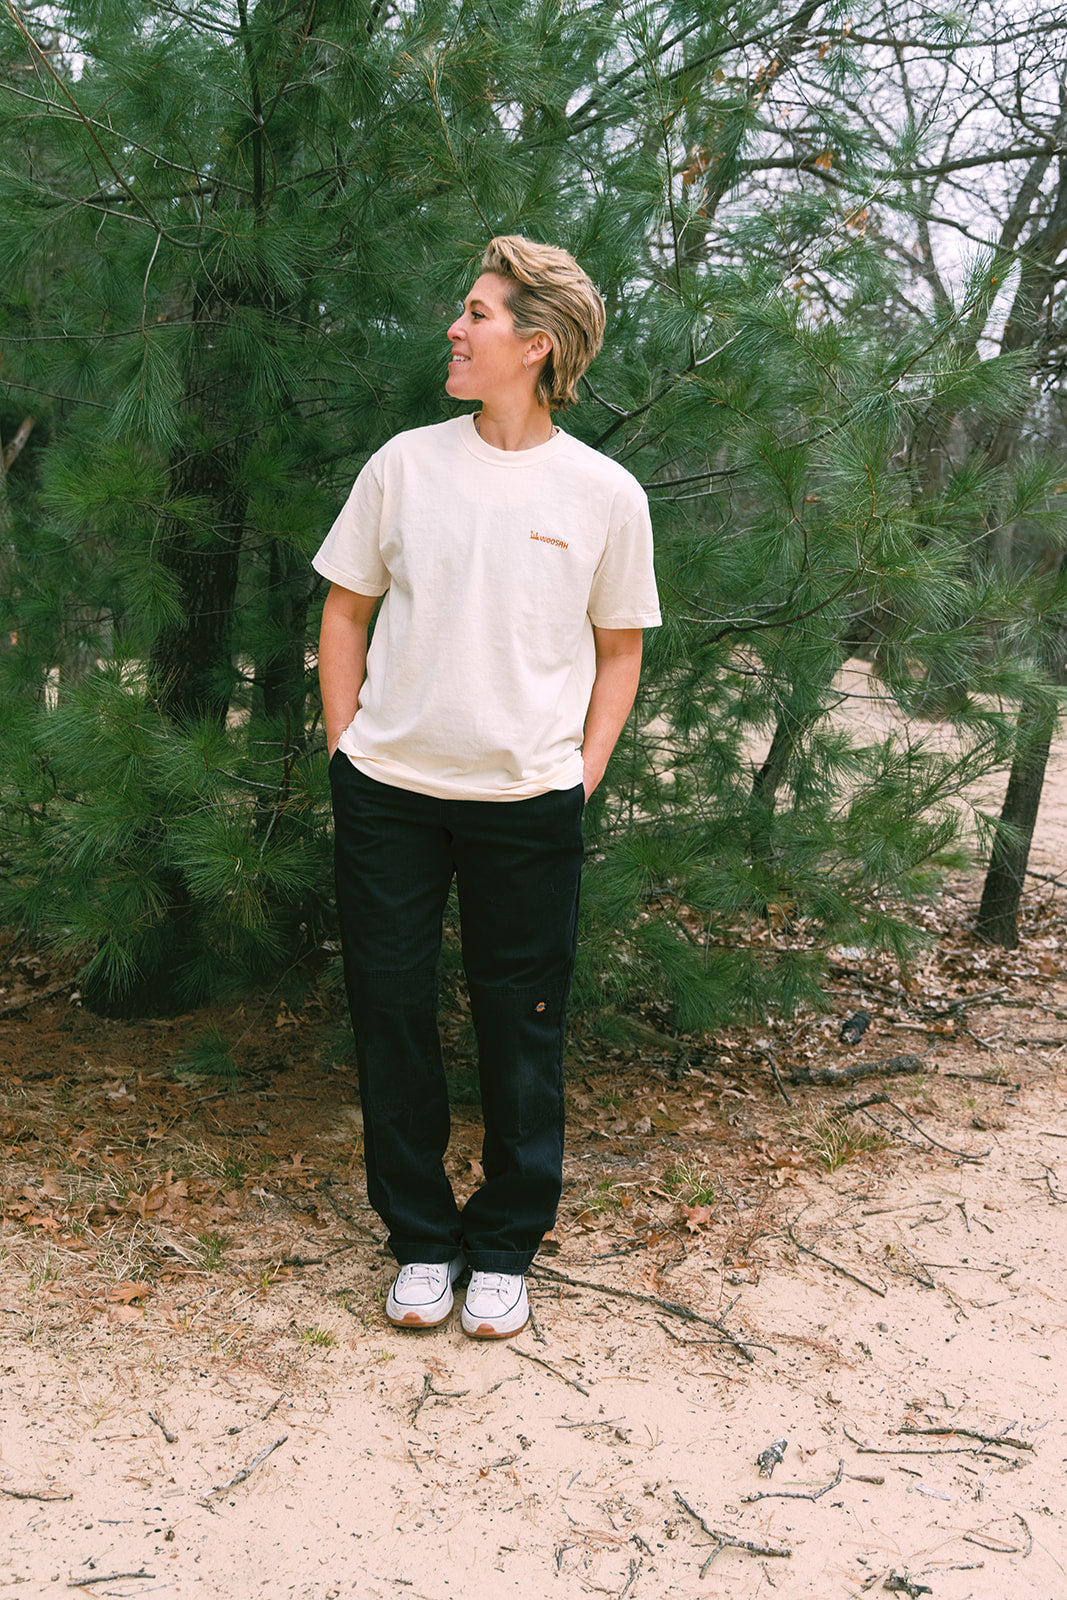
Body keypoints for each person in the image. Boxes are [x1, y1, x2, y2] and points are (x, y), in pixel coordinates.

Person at [313, 235, 660, 1338]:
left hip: (528, 805)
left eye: (476, 314)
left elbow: (619, 650)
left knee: (523, 1024)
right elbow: (344, 610)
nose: (455, 330)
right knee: (390, 1013)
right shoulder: (403, 465)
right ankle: (421, 1239)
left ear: (536, 344)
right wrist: (346, 749)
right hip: (390, 795)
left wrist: (580, 775)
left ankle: (504, 1245)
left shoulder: (603, 493)